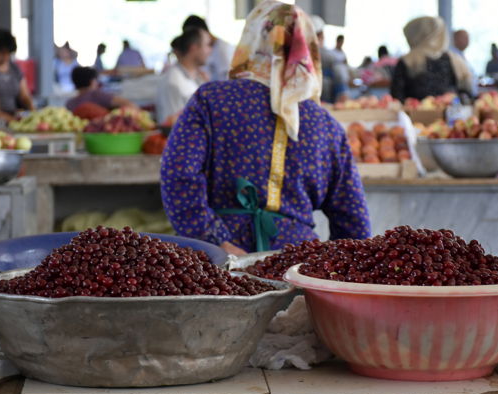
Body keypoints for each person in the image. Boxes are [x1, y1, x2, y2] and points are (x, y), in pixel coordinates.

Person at [160, 0, 371, 256]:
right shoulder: (326, 126)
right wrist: (327, 269)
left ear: (250, 40)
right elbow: (354, 222)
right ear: (307, 48)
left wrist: (215, 240)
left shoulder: (211, 100)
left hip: (217, 262)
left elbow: (179, 177)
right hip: (296, 261)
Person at [391, 16, 473, 102]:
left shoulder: (407, 61)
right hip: (450, 109)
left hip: (415, 110)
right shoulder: (455, 60)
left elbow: (397, 97)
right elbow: (466, 94)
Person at [156, 27, 211, 124]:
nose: (210, 50)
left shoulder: (199, 77)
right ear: (194, 48)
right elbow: (172, 124)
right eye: (207, 45)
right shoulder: (173, 82)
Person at [182, 15, 234, 82]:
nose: (190, 41)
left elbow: (228, 79)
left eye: (192, 36)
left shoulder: (223, 49)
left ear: (202, 32)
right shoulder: (201, 51)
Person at [65, 66, 136, 112]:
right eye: (96, 80)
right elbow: (130, 105)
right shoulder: (96, 95)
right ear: (92, 81)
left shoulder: (70, 104)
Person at [450, 29, 477, 96]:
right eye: (464, 38)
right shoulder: (451, 57)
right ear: (455, 39)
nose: (468, 41)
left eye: (468, 38)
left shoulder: (461, 55)